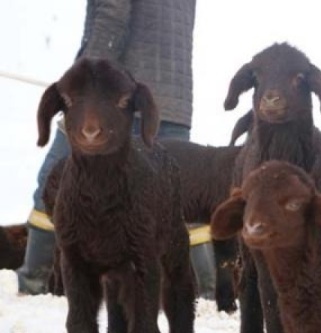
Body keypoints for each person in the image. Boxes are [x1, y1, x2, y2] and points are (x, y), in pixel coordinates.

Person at [17, 0, 217, 299]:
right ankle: (208, 291)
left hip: (114, 101)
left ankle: (33, 282)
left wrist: (82, 86)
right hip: (174, 100)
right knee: (180, 197)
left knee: (55, 181)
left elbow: (112, 16)